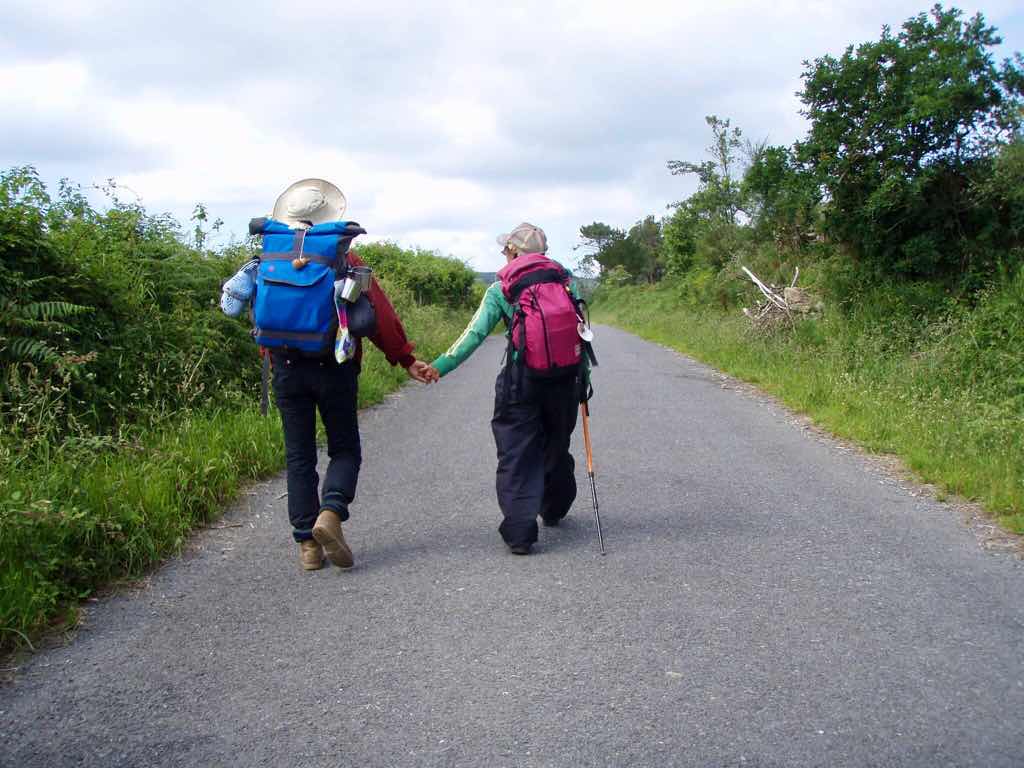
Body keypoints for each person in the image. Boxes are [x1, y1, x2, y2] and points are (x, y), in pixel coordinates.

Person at [260, 180, 438, 571]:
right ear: (329, 221)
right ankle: (331, 512)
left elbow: (264, 316)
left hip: (286, 367)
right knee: (343, 447)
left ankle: (307, 544)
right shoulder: (346, 260)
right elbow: (379, 317)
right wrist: (405, 358)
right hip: (335, 367)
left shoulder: (270, 255)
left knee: (299, 454)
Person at [427, 223, 588, 555]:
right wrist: (582, 380)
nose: (504, 254)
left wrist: (439, 366)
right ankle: (555, 507)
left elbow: (474, 335)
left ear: (514, 251)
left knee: (517, 452)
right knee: (556, 444)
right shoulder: (565, 280)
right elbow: (581, 332)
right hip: (565, 380)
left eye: (506, 250)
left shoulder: (502, 287)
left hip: (521, 381)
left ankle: (519, 533)